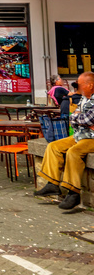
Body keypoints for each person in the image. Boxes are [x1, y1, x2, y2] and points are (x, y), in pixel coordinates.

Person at [35, 72, 94, 210]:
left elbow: (88, 119)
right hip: (80, 134)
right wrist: (79, 119)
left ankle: (73, 193)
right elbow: (74, 117)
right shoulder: (84, 99)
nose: (77, 88)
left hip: (91, 137)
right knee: (54, 146)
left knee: (74, 152)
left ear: (90, 85)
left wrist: (78, 119)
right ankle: (52, 184)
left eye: (79, 85)